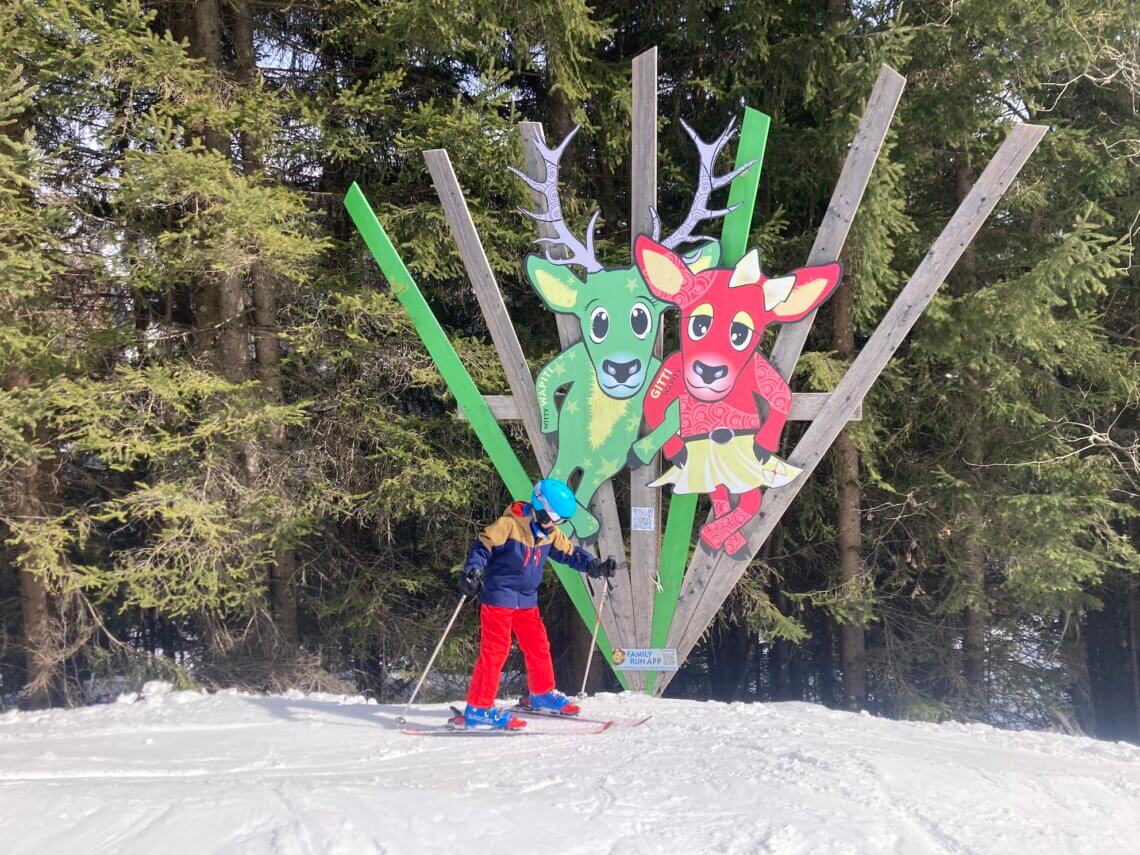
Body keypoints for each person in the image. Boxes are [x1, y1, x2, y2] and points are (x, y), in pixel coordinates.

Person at [459, 478, 618, 730]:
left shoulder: (549, 534)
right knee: (496, 650)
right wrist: (473, 570)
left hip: (526, 599)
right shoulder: (508, 525)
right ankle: (478, 707)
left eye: (559, 521)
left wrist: (594, 566)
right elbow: (483, 547)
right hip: (499, 596)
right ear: (541, 507)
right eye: (553, 518)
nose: (555, 525)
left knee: (537, 644)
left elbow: (571, 553)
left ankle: (541, 692)